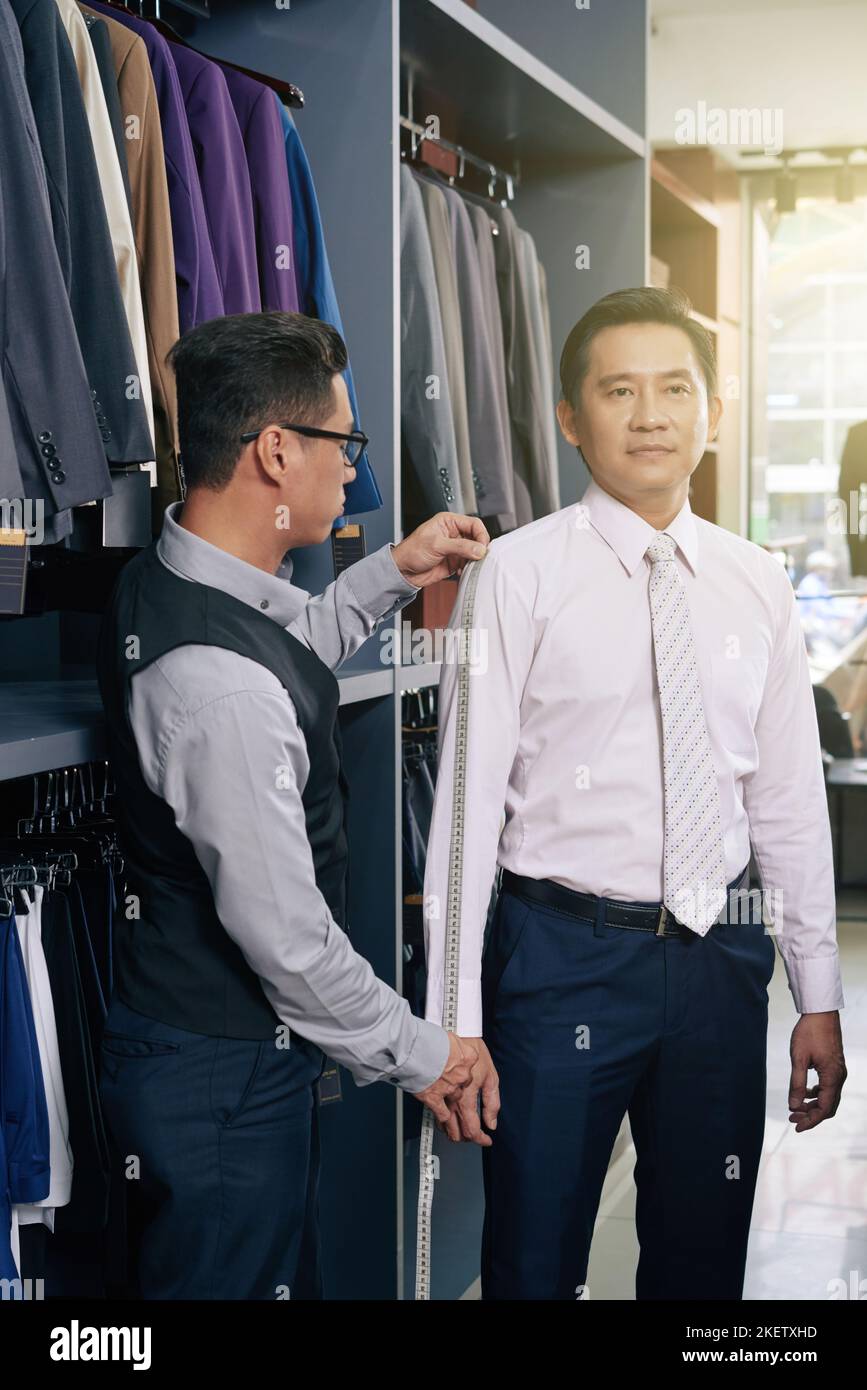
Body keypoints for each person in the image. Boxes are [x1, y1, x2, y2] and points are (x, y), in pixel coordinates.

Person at [424, 285, 848, 1301]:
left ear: (713, 411)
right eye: (618, 390)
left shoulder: (758, 581)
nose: (649, 414)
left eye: (674, 389)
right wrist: (453, 1019)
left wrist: (818, 996)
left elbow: (789, 802)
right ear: (571, 419)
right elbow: (466, 811)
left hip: (719, 966)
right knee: (533, 1260)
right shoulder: (516, 575)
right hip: (560, 958)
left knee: (703, 1263)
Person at [96, 310, 485, 1299]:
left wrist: (390, 575)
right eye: (343, 443)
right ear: (276, 450)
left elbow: (284, 652)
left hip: (196, 1053)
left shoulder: (177, 577)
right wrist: (426, 1052)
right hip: (218, 1080)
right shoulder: (218, 689)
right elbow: (289, 941)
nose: (354, 469)